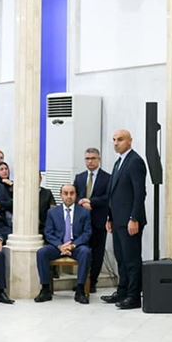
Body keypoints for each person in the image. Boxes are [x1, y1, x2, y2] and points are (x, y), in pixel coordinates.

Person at [105, 129, 147, 310]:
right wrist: (110, 217)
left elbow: (140, 193)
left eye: (120, 139)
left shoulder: (135, 161)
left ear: (130, 141)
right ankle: (122, 291)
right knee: (121, 258)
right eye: (114, 140)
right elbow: (113, 193)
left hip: (130, 221)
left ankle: (133, 296)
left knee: (131, 260)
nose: (116, 143)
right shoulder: (118, 162)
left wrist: (134, 218)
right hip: (117, 221)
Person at [37, 184, 93, 304]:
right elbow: (48, 233)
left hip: (76, 246)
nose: (68, 196)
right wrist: (60, 246)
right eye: (65, 193)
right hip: (58, 246)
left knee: (86, 252)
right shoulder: (52, 212)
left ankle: (80, 290)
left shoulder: (84, 212)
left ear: (76, 195)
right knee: (42, 253)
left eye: (72, 193)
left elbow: (87, 233)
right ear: (61, 195)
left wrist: (73, 245)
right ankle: (45, 289)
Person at [73, 146, 111, 295]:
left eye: (93, 158)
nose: (90, 161)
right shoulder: (79, 177)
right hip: (82, 222)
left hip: (98, 220)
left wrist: (91, 202)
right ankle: (81, 281)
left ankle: (93, 282)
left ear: (99, 159)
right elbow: (74, 195)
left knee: (97, 253)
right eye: (87, 159)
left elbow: (108, 197)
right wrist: (81, 202)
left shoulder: (107, 178)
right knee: (83, 251)